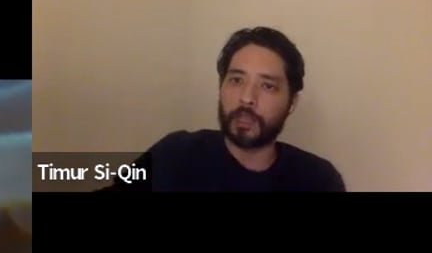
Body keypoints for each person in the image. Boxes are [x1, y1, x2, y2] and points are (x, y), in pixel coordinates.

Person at [112, 26, 345, 191]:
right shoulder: (174, 154)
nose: (247, 98)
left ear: (291, 103)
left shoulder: (318, 180)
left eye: (267, 86)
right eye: (236, 80)